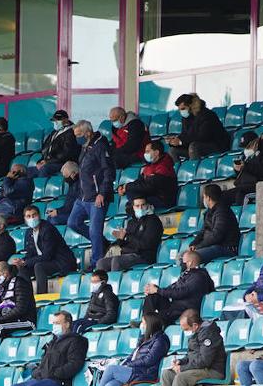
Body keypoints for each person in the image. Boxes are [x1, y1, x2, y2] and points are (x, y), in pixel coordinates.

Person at [8, 311, 88, 386]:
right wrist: (37, 372)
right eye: (53, 323)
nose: (54, 326)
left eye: (57, 323)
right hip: (42, 378)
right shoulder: (53, 341)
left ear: (67, 324)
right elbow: (44, 361)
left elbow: (75, 363)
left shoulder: (76, 341)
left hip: (58, 380)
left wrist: (55, 373)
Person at [66, 120, 115, 267]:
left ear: (88, 132)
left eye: (79, 134)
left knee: (95, 231)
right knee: (72, 223)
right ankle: (102, 242)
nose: (77, 138)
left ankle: (97, 264)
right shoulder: (85, 146)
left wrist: (102, 193)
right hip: (83, 196)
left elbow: (108, 171)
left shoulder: (100, 145)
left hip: (96, 197)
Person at [94, 312, 170, 386]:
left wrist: (129, 364)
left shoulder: (160, 340)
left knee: (111, 369)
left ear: (150, 324)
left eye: (143, 323)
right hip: (134, 370)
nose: (141, 325)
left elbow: (149, 360)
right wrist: (125, 363)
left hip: (145, 373)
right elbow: (132, 355)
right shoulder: (145, 338)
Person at [162, 309, 225, 386]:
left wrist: (182, 368)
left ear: (195, 325)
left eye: (186, 329)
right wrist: (181, 361)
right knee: (166, 374)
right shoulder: (196, 334)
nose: (185, 332)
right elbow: (191, 354)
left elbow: (204, 361)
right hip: (199, 368)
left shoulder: (209, 334)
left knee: (180, 378)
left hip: (212, 370)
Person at [143, 249, 215, 328]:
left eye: (183, 260)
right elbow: (173, 288)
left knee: (158, 316)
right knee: (153, 295)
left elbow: (180, 292)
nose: (181, 263)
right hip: (175, 306)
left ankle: (148, 325)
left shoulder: (198, 276)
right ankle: (145, 321)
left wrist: (158, 290)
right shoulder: (188, 274)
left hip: (184, 309)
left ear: (190, 262)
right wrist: (154, 289)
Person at [16, 206, 76, 293]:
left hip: (61, 262)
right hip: (46, 262)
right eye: (28, 216)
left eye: (34, 215)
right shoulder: (29, 232)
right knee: (23, 269)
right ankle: (27, 296)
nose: (32, 218)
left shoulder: (47, 229)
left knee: (39, 266)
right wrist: (21, 261)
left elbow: (48, 255)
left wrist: (26, 262)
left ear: (39, 215)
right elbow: (30, 254)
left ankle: (41, 295)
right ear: (25, 219)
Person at [97, 198, 162, 273]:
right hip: (128, 254)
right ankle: (103, 284)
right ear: (133, 207)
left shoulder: (153, 221)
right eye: (137, 206)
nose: (140, 208)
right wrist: (120, 240)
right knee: (101, 263)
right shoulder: (131, 222)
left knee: (117, 261)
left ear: (147, 205)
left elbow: (146, 244)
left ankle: (114, 283)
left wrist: (127, 237)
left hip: (144, 256)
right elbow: (126, 243)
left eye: (143, 205)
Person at [166, 93, 230, 159]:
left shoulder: (207, 115)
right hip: (198, 146)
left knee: (193, 147)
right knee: (173, 150)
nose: (181, 112)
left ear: (191, 106)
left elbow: (203, 136)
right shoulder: (186, 118)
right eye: (179, 110)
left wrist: (181, 141)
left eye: (183, 108)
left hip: (216, 145)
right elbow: (185, 134)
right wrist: (174, 141)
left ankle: (192, 168)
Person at [188, 184, 240, 263]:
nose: (203, 199)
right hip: (212, 246)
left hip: (225, 248)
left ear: (208, 198)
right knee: (182, 257)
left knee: (191, 258)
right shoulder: (209, 212)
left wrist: (199, 247)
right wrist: (193, 244)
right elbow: (203, 231)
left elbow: (217, 236)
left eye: (204, 197)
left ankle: (194, 275)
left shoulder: (222, 212)